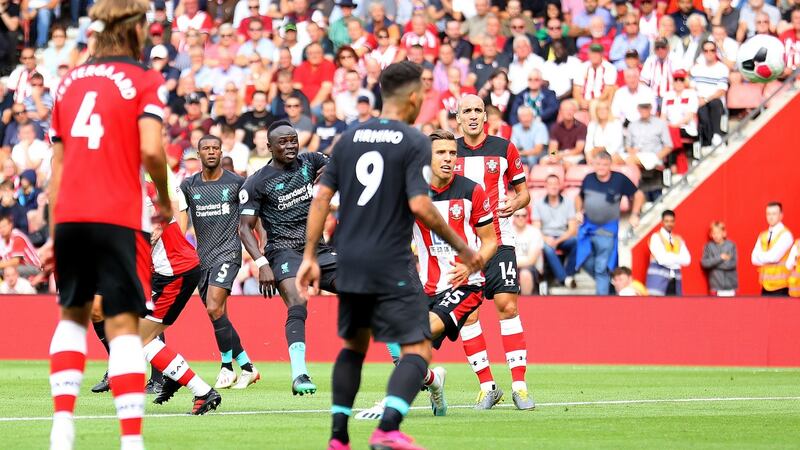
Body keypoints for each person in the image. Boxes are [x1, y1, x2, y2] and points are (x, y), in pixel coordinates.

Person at [296, 61, 481, 449]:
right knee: (417, 347)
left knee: (354, 347)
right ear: (413, 97)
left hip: (348, 257)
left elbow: (321, 199)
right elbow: (420, 204)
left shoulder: (347, 139)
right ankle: (389, 428)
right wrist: (464, 247)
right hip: (392, 259)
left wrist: (311, 255)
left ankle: (338, 437)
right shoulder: (413, 141)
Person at [42, 0, 174, 448]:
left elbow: (56, 166)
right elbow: (154, 151)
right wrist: (165, 198)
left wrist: (52, 231)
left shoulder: (68, 81)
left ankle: (62, 425)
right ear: (137, 29)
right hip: (119, 215)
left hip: (72, 216)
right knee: (121, 327)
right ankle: (131, 441)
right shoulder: (144, 78)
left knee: (72, 317)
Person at [238, 120, 336, 396]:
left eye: (293, 140)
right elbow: (244, 227)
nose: (290, 145)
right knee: (298, 302)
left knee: (364, 289)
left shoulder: (311, 160)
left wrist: (329, 172)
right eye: (283, 142)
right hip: (283, 251)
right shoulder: (257, 182)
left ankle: (399, 360)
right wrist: (262, 263)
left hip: (318, 250)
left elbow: (335, 165)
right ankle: (299, 374)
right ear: (269, 147)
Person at [408, 129, 499, 414]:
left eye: (452, 153)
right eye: (441, 153)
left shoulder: (472, 190)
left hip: (466, 285)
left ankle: (392, 404)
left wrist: (472, 264)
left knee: (419, 332)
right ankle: (434, 382)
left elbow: (490, 241)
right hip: (428, 286)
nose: (449, 159)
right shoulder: (412, 193)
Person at [454, 94, 534, 411]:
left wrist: (516, 203)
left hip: (499, 239)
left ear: (485, 116)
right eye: (467, 111)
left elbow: (523, 192)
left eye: (478, 110)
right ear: (457, 118)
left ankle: (520, 387)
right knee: (469, 314)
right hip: (462, 245)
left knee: (507, 306)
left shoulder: (504, 148)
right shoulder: (448, 151)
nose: (473, 115)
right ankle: (487, 386)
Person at [179, 135, 258, 389]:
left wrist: (261, 251)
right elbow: (180, 217)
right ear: (199, 154)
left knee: (214, 308)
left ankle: (226, 367)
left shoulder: (236, 183)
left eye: (215, 148)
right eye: (206, 148)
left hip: (228, 253)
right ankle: (247, 367)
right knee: (218, 314)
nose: (211, 152)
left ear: (221, 151)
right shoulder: (188, 186)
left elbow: (255, 216)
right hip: (202, 258)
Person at [575, 151, 645, 295]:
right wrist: (578, 211)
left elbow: (639, 195)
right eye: (598, 164)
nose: (601, 167)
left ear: (610, 165)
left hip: (607, 230)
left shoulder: (619, 179)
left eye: (605, 164)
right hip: (587, 228)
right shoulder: (588, 178)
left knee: (601, 267)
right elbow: (579, 197)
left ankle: (602, 304)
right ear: (594, 164)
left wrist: (634, 214)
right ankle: (609, 286)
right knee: (583, 260)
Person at [533, 175, 578, 288]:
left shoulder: (568, 202)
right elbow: (536, 228)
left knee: (577, 241)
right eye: (550, 184)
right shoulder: (538, 203)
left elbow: (572, 229)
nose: (553, 186)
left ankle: (567, 275)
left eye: (555, 183)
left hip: (562, 237)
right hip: (545, 237)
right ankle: (564, 279)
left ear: (560, 185)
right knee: (547, 248)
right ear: (546, 186)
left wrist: (557, 241)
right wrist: (546, 239)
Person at [690, 41, 728, 148]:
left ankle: (716, 135)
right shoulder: (696, 68)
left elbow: (721, 90)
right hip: (699, 100)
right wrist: (698, 99)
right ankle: (709, 141)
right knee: (702, 111)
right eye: (706, 51)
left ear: (716, 52)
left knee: (714, 103)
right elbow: (692, 87)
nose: (709, 53)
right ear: (702, 52)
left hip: (714, 100)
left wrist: (705, 99)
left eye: (712, 50)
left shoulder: (722, 68)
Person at [751, 202, 793, 297]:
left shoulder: (786, 235)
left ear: (781, 215)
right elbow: (753, 259)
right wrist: (767, 257)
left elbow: (773, 257)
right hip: (765, 286)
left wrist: (761, 256)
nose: (770, 217)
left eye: (774, 213)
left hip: (782, 287)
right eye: (768, 214)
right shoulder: (763, 235)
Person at [646, 210, 691, 296]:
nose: (669, 224)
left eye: (671, 221)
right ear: (662, 222)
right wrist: (677, 259)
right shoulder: (656, 237)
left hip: (675, 280)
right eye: (666, 221)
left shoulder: (677, 239)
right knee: (656, 307)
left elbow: (687, 260)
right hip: (657, 280)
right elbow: (662, 260)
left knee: (675, 307)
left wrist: (669, 257)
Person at [701, 221, 738, 296]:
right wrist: (721, 258)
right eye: (713, 233)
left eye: (718, 233)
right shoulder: (708, 246)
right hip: (715, 287)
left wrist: (713, 264)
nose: (716, 235)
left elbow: (732, 264)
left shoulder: (731, 245)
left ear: (724, 233)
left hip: (730, 287)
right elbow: (704, 263)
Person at [546, 100, 587, 167]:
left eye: (571, 109)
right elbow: (553, 148)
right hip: (559, 153)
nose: (569, 112)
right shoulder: (555, 127)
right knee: (544, 162)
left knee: (566, 164)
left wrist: (562, 155)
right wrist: (553, 155)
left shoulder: (582, 127)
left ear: (575, 111)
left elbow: (579, 149)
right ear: (560, 112)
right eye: (565, 110)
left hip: (574, 155)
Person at [512, 208, 544, 295]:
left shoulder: (535, 232)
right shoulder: (507, 232)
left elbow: (531, 260)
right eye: (517, 215)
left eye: (523, 215)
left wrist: (510, 262)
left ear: (528, 217)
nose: (520, 218)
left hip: (532, 269)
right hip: (512, 267)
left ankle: (525, 305)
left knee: (525, 274)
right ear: (512, 217)